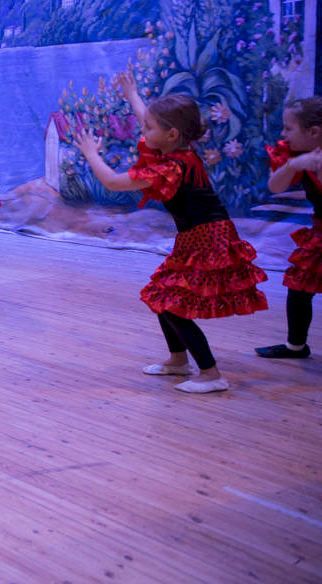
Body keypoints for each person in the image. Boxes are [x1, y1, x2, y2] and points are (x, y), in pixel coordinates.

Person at [71, 77, 267, 393]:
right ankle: (178, 360)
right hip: (197, 236)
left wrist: (91, 153)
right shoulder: (177, 151)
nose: (143, 131)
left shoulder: (171, 166)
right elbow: (152, 121)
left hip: (210, 238)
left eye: (148, 128)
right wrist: (132, 95)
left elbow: (112, 182)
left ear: (171, 134)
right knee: (162, 296)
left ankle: (211, 374)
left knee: (174, 304)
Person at [259, 96, 322, 359]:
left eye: (288, 128)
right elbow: (275, 186)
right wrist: (293, 164)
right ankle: (296, 345)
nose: (283, 134)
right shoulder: (297, 155)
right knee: (299, 285)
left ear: (314, 132)